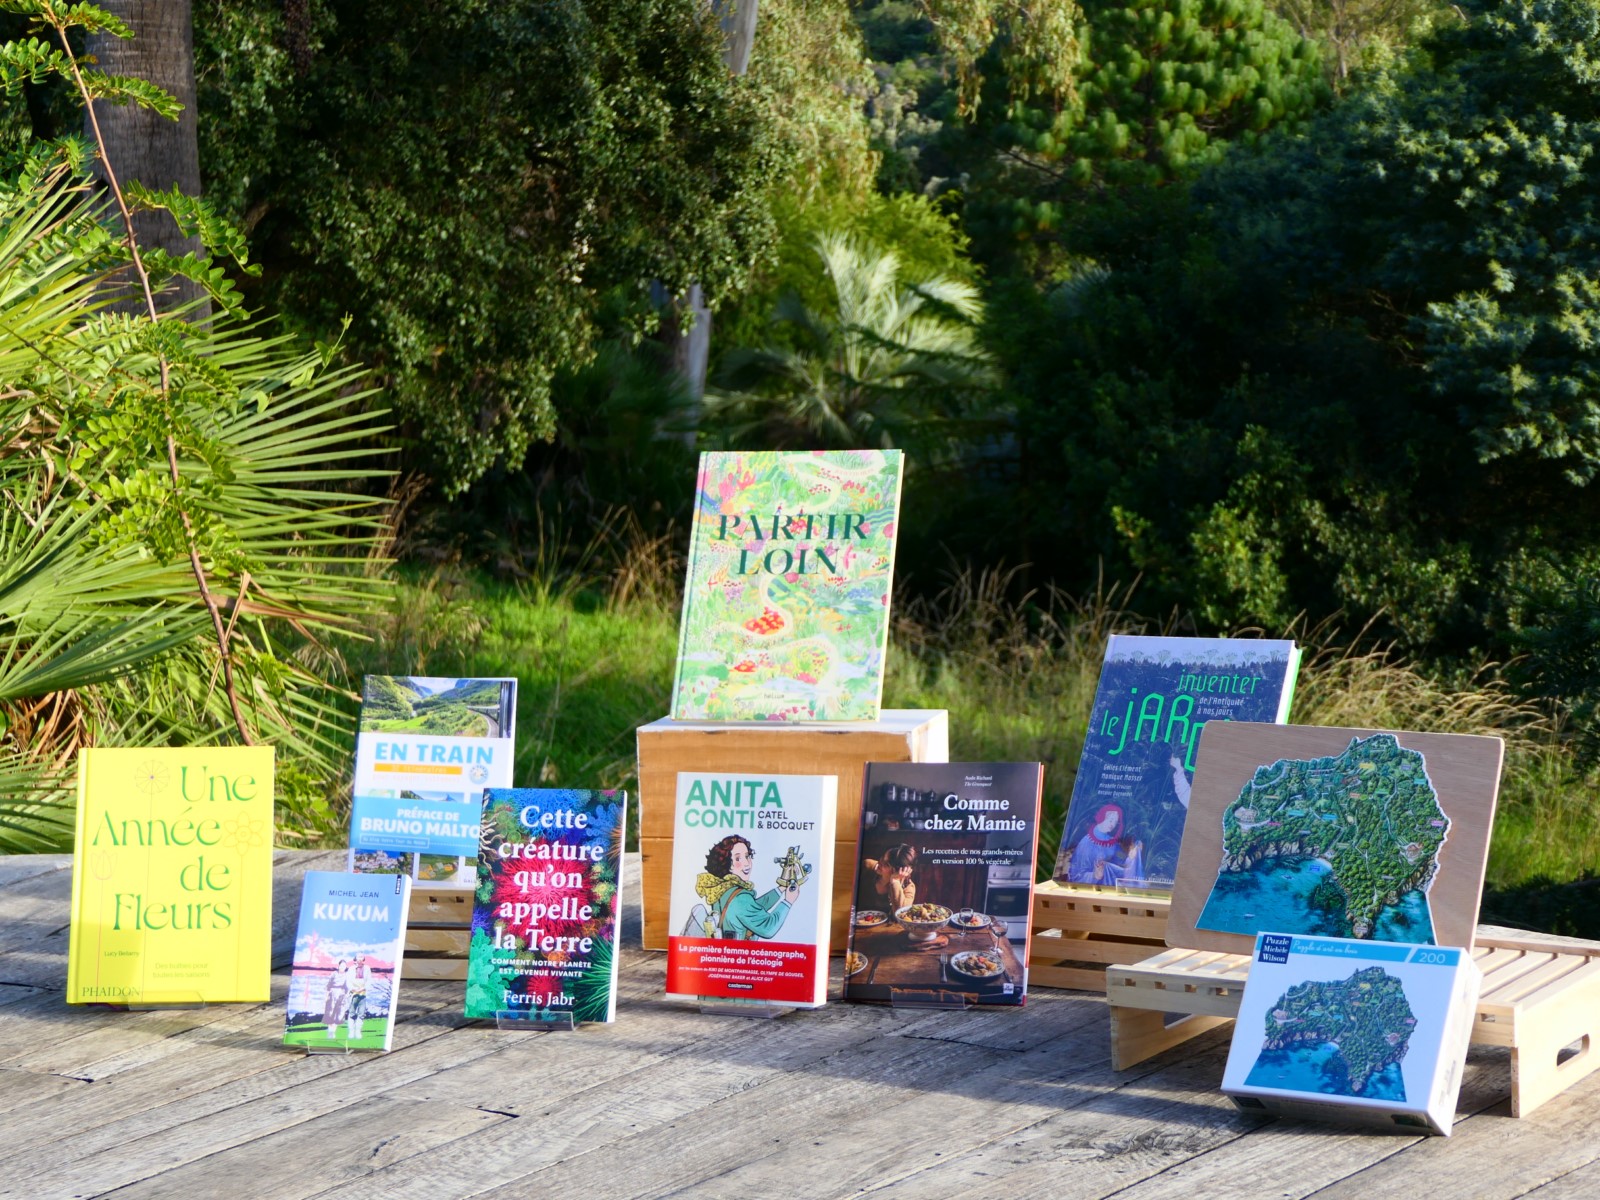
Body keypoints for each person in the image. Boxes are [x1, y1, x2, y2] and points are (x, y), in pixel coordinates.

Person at [693, 835, 799, 939]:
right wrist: (788, 901)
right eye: (738, 858)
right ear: (726, 864)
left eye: (747, 856)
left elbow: (753, 908)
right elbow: (768, 928)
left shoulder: (722, 888)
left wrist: (782, 887)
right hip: (742, 953)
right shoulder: (740, 897)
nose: (747, 863)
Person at [1065, 804, 1145, 886]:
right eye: (1110, 820)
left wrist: (1131, 857)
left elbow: (1120, 857)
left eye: (1115, 822)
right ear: (1102, 817)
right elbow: (1076, 875)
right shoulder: (1086, 843)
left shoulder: (1111, 842)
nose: (1113, 825)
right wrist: (1095, 876)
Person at [861, 843, 916, 910]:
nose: (880, 862)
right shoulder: (867, 866)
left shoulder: (908, 887)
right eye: (883, 857)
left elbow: (901, 913)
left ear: (898, 871)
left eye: (886, 864)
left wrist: (895, 881)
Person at [345, 956, 372, 1040]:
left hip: (363, 994)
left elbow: (369, 981)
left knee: (361, 1014)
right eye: (358, 958)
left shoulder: (367, 968)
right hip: (353, 994)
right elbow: (348, 981)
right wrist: (353, 989)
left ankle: (358, 1031)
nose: (360, 960)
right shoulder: (351, 969)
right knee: (352, 1013)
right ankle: (351, 1032)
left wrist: (363, 988)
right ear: (355, 960)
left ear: (363, 960)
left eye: (361, 958)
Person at [322, 959, 351, 1038]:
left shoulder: (347, 975)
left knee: (338, 1014)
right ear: (338, 966)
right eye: (341, 965)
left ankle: (333, 1032)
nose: (342, 967)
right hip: (332, 994)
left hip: (341, 996)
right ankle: (329, 1031)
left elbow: (348, 988)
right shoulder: (334, 974)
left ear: (346, 967)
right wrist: (326, 996)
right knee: (330, 1013)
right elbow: (328, 985)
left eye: (344, 966)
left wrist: (346, 996)